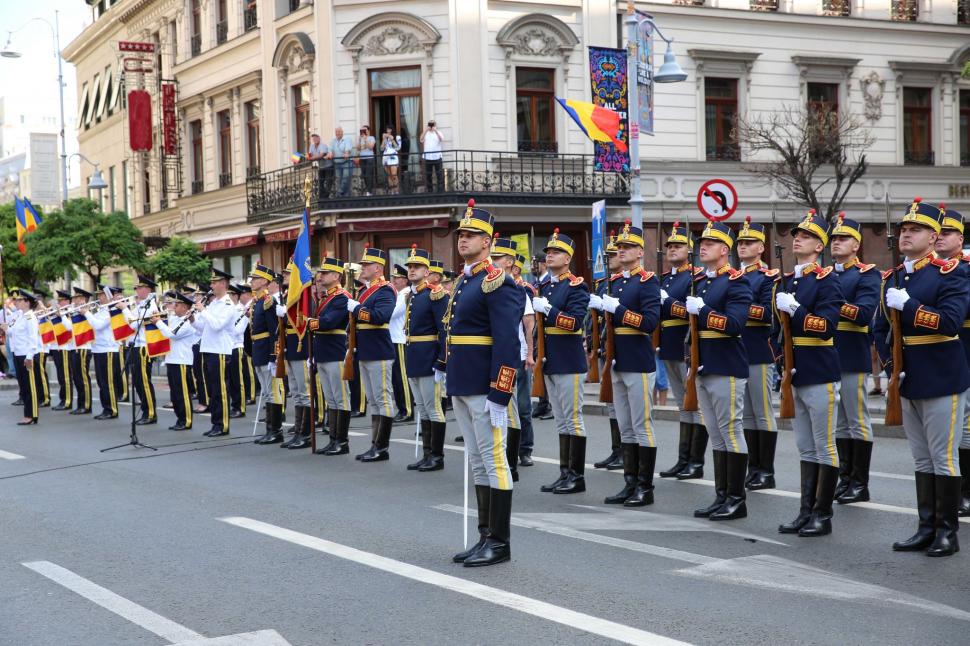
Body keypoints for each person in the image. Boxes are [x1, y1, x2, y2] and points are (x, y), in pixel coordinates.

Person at [876, 198, 967, 557]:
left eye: (915, 230)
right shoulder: (893, 277)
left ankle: (947, 532)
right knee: (921, 459)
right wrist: (889, 367)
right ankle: (925, 526)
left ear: (933, 237)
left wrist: (910, 306)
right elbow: (879, 329)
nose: (906, 234)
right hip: (908, 377)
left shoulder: (952, 273)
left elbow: (949, 321)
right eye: (903, 229)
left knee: (943, 458)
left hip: (943, 375)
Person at [446, 200, 522, 567]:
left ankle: (500, 542)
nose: (464, 239)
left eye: (472, 234)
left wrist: (501, 391)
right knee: (477, 461)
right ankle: (483, 536)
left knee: (495, 461)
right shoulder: (466, 281)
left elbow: (507, 342)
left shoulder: (497, 282)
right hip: (463, 381)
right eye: (461, 233)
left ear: (488, 241)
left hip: (485, 385)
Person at [775, 211, 844, 537]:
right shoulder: (791, 280)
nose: (796, 239)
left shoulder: (827, 280)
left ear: (819, 246)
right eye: (795, 235)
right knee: (805, 446)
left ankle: (822, 514)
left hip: (819, 370)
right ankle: (805, 510)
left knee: (823, 444)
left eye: (804, 236)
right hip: (796, 371)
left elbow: (827, 326)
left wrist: (797, 310)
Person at [589, 221, 661, 506]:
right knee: (626, 426)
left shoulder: (648, 281)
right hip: (617, 360)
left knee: (642, 426)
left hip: (639, 361)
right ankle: (630, 483)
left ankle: (645, 486)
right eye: (619, 246)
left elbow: (650, 323)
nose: (622, 250)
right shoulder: (616, 282)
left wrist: (618, 309)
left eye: (628, 246)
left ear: (640, 252)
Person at [686, 222, 753, 521]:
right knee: (715, 434)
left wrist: (703, 312)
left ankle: (737, 499)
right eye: (702, 242)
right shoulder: (701, 282)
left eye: (710, 243)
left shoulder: (736, 282)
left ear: (725, 250)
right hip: (704, 364)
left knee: (731, 431)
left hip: (726, 364)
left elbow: (735, 325)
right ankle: (721, 495)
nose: (703, 247)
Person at [533, 228, 591, 495]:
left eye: (555, 252)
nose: (550, 256)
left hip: (569, 360)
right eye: (549, 252)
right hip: (551, 360)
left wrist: (549, 310)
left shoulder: (576, 286)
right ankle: (564, 472)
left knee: (573, 419)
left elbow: (575, 323)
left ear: (568, 257)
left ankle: (576, 477)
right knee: (560, 420)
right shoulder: (546, 285)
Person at [829, 215, 881, 505]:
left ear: (856, 245)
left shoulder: (866, 274)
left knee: (857, 420)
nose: (837, 242)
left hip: (852, 353)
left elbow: (863, 313)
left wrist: (831, 302)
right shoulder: (826, 274)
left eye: (843, 238)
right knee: (839, 423)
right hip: (829, 355)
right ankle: (845, 477)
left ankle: (860, 482)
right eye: (834, 238)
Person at [657, 223, 707, 479]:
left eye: (678, 246)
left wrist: (668, 302)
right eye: (670, 246)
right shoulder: (665, 278)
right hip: (669, 345)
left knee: (694, 404)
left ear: (689, 250)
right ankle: (683, 458)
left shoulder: (695, 277)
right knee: (683, 405)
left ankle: (695, 462)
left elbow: (692, 312)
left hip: (687, 344)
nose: (672, 249)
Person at [735, 218, 781, 491]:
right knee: (748, 415)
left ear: (761, 247)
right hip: (739, 350)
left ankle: (767, 470)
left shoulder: (767, 278)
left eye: (749, 242)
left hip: (759, 349)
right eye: (740, 242)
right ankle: (754, 468)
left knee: (763, 413)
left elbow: (767, 313)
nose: (743, 246)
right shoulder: (735, 276)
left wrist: (740, 307)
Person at [933, 208, 970, 519]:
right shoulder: (928, 271)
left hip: (967, 347)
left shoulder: (966, 269)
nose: (941, 237)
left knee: (967, 426)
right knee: (947, 432)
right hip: (940, 354)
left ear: (960, 238)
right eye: (938, 232)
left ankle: (966, 492)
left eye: (947, 233)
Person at [347, 245, 398, 461]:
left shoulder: (385, 289)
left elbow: (381, 316)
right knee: (373, 401)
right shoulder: (364, 290)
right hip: (365, 350)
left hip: (379, 350)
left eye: (366, 265)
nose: (363, 268)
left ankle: (382, 447)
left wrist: (356, 309)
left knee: (383, 398)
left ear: (378, 268)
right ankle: (374, 444)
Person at [401, 246, 450, 471]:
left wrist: (442, 359)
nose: (412, 270)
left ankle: (437, 457)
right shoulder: (414, 295)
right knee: (421, 407)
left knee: (433, 408)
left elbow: (443, 329)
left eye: (417, 267)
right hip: (414, 356)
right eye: (409, 267)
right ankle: (427, 453)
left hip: (429, 356)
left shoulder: (434, 294)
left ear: (427, 271)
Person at [490, 237, 533, 481]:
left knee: (512, 408)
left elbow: (528, 324)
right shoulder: (487, 284)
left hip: (511, 356)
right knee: (496, 409)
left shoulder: (517, 288)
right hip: (491, 355)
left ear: (509, 262)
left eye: (497, 258)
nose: (493, 262)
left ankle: (513, 462)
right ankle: (499, 459)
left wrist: (529, 353)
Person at [310, 259, 353, 455]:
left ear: (337, 276)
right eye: (322, 272)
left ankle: (342, 442)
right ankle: (333, 439)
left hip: (335, 352)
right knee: (331, 398)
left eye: (326, 273)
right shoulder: (326, 297)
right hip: (323, 352)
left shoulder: (341, 297)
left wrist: (309, 322)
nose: (321, 276)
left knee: (340, 397)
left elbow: (328, 322)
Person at [192, 268, 237, 437]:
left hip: (219, 350)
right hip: (208, 348)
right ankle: (215, 423)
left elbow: (218, 325)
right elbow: (203, 327)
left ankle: (222, 425)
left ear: (223, 284)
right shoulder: (213, 303)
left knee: (220, 390)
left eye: (214, 282)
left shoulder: (227, 304)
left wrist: (203, 310)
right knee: (212, 389)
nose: (211, 285)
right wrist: (192, 319)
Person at [591, 234, 622, 470]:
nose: (611, 258)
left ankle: (625, 450)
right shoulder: (603, 284)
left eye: (614, 254)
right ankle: (617, 450)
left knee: (623, 405)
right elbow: (594, 320)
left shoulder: (627, 283)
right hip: (605, 346)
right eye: (609, 255)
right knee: (611, 402)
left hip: (622, 347)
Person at [275, 266, 313, 449]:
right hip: (290, 347)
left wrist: (287, 313)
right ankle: (298, 432)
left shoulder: (304, 295)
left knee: (304, 393)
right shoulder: (289, 293)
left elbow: (306, 319)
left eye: (288, 273)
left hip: (301, 346)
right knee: (297, 393)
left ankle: (305, 434)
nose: (284, 276)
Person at [155, 292, 199, 430]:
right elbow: (167, 324)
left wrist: (158, 322)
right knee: (174, 393)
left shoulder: (187, 323)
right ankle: (179, 419)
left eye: (178, 304)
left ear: (185, 307)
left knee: (182, 393)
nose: (174, 307)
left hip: (182, 360)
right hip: (172, 359)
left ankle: (186, 420)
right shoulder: (176, 318)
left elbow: (171, 334)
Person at [251, 265, 284, 445]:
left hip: (267, 351)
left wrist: (274, 356)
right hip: (258, 350)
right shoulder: (257, 301)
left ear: (264, 281)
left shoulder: (268, 302)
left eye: (255, 278)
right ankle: (269, 429)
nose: (251, 281)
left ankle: (275, 430)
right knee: (266, 392)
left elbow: (275, 332)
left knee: (273, 392)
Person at [511, 253, 536, 467]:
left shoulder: (521, 291)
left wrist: (529, 353)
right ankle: (507, 449)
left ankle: (525, 449)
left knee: (523, 406)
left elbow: (529, 324)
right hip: (499, 357)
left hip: (518, 356)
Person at [86, 285, 124, 420]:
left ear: (110, 296)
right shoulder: (101, 310)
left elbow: (98, 325)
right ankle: (106, 408)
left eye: (102, 295)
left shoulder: (112, 310)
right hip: (98, 348)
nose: (99, 297)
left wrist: (86, 313)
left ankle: (112, 409)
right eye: (99, 295)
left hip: (108, 349)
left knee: (108, 382)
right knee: (102, 382)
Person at [128, 276, 160, 425]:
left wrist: (124, 310)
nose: (137, 290)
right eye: (136, 288)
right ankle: (145, 409)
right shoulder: (140, 305)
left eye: (140, 288)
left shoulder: (151, 306)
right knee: (137, 381)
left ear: (148, 289)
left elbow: (134, 325)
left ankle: (151, 413)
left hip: (144, 347)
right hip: (136, 346)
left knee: (144, 381)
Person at [6, 289, 40, 425]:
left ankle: (31, 414)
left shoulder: (30, 317)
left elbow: (33, 340)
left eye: (20, 300)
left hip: (27, 356)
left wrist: (29, 357)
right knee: (23, 386)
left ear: (27, 302)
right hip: (17, 354)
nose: (17, 302)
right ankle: (27, 413)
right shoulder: (19, 315)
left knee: (29, 387)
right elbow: (12, 332)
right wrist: (5, 329)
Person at [389, 264, 413, 423]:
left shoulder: (405, 293)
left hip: (399, 339)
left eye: (397, 278)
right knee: (395, 378)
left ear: (405, 280)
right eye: (393, 278)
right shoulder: (398, 293)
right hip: (393, 339)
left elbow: (392, 313)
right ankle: (401, 408)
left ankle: (407, 410)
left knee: (401, 378)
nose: (394, 281)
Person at [69, 287, 94, 415]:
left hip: (84, 347)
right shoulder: (76, 312)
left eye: (77, 298)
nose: (74, 300)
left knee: (83, 378)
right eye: (75, 298)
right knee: (77, 378)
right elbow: (69, 328)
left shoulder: (87, 311)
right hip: (75, 347)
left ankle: (86, 405)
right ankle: (80, 404)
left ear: (83, 299)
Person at [226, 284, 248, 419]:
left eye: (229, 294)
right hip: (227, 347)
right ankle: (234, 405)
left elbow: (238, 330)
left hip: (236, 346)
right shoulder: (228, 310)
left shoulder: (241, 310)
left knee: (237, 379)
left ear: (235, 296)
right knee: (230, 380)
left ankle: (240, 407)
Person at [50, 289, 74, 411]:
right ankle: (62, 399)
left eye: (62, 300)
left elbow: (69, 327)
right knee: (60, 375)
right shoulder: (58, 311)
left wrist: (62, 314)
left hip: (65, 346)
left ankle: (67, 400)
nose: (60, 303)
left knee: (65, 376)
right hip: (56, 346)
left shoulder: (70, 311)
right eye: (58, 300)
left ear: (67, 301)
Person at [420, 120, 444, 192]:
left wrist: (435, 131)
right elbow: (421, 139)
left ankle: (440, 190)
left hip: (437, 157)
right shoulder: (426, 133)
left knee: (439, 174)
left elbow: (441, 139)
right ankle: (430, 190)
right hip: (428, 157)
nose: (431, 126)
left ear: (435, 125)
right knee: (428, 175)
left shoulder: (439, 132)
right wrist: (426, 130)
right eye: (430, 124)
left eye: (432, 124)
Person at [329, 127, 354, 197]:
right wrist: (330, 153)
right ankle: (341, 197)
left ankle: (340, 192)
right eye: (336, 132)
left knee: (346, 178)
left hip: (346, 162)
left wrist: (346, 153)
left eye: (339, 131)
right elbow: (330, 149)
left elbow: (348, 148)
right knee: (338, 180)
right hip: (337, 163)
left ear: (342, 132)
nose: (338, 133)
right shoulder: (333, 141)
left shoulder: (347, 139)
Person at [307, 133, 332, 199]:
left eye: (316, 138)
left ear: (319, 138)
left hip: (328, 166)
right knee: (320, 182)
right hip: (321, 167)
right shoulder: (312, 146)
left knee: (328, 181)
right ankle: (322, 197)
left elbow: (321, 155)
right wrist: (308, 157)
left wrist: (312, 158)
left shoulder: (322, 145)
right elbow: (309, 155)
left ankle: (326, 196)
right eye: (313, 138)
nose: (315, 139)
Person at [357, 125, 377, 196]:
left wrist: (365, 139)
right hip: (362, 159)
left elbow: (371, 147)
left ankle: (369, 191)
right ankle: (368, 190)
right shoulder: (361, 138)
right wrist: (359, 140)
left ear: (368, 131)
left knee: (368, 174)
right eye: (362, 130)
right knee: (364, 175)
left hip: (369, 158)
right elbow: (358, 148)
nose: (363, 132)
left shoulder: (372, 138)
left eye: (365, 130)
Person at [381, 126, 402, 194]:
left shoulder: (397, 137)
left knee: (394, 174)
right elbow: (381, 148)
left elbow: (398, 148)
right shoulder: (385, 137)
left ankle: (397, 190)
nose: (388, 131)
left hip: (393, 156)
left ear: (392, 130)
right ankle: (392, 191)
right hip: (386, 157)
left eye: (389, 129)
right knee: (389, 175)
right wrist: (383, 139)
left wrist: (392, 139)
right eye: (387, 129)